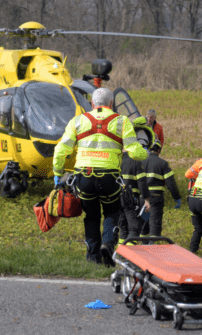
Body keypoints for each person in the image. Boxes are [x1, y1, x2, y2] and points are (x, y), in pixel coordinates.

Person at [52, 88, 147, 266]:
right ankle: (108, 244)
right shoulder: (122, 121)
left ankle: (92, 257)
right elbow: (135, 152)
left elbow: (60, 150)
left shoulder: (78, 121)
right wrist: (145, 152)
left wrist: (58, 173)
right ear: (111, 104)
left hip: (84, 178)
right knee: (112, 212)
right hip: (109, 178)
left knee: (91, 216)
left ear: (93, 104)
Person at [116, 121, 153, 245]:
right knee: (134, 228)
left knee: (123, 228)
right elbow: (142, 182)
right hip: (131, 200)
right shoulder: (136, 161)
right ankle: (129, 255)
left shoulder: (117, 160)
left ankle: (121, 253)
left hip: (117, 198)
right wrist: (146, 199)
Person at [140, 139, 181, 240]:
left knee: (143, 225)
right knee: (155, 225)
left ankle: (142, 248)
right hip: (156, 199)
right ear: (158, 150)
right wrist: (176, 197)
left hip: (142, 198)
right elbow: (170, 183)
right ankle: (152, 249)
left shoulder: (141, 162)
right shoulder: (163, 163)